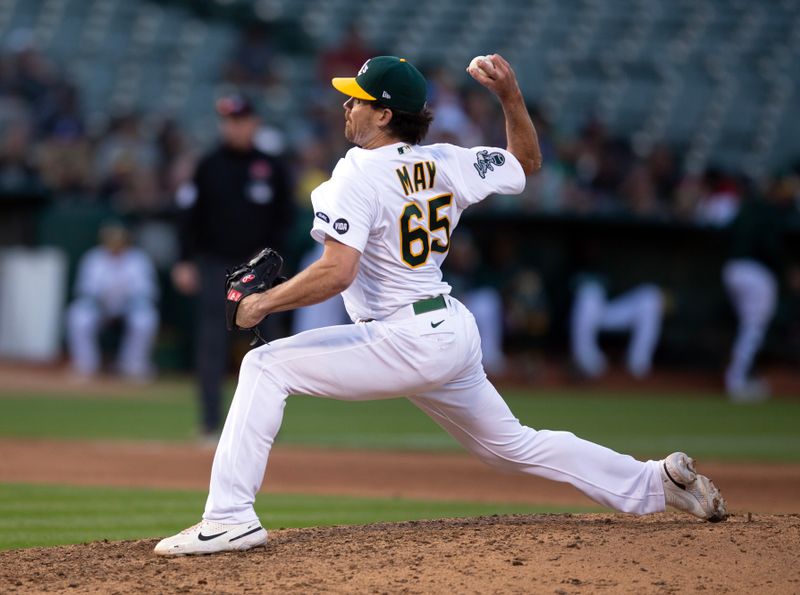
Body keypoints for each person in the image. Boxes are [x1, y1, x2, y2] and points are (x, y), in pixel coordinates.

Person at [155, 55, 727, 556]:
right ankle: (658, 483)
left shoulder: (354, 174)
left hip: (403, 337)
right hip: (448, 331)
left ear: (383, 114)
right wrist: (510, 96)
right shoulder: (449, 162)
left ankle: (228, 519)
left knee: (263, 365)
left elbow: (337, 271)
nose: (345, 109)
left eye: (356, 101)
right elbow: (525, 165)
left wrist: (262, 305)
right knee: (512, 446)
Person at [172, 93, 294, 437]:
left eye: (240, 120)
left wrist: (272, 258)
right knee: (212, 344)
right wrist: (184, 259)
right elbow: (188, 216)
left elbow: (286, 217)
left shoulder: (272, 166)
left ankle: (267, 427)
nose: (234, 127)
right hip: (217, 265)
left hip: (262, 269)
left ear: (254, 123)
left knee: (270, 347)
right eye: (228, 121)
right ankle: (210, 423)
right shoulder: (207, 164)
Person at [722, 177, 800, 401]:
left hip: (731, 269)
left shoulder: (747, 207)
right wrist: (787, 269)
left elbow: (725, 233)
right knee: (753, 328)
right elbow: (770, 245)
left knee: (747, 328)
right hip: (755, 273)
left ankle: (744, 374)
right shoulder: (770, 212)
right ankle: (737, 379)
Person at [66, 221, 159, 381]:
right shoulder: (93, 257)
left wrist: (128, 305)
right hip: (99, 308)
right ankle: (86, 365)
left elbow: (146, 292)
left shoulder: (138, 259)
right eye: (111, 240)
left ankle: (133, 365)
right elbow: (86, 290)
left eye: (119, 241)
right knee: (78, 316)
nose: (115, 245)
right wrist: (101, 306)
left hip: (130, 308)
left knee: (145, 319)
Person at [571, 276, 664, 379]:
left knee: (650, 297)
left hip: (625, 308)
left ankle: (638, 364)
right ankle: (586, 360)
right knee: (589, 294)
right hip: (594, 310)